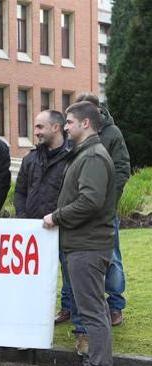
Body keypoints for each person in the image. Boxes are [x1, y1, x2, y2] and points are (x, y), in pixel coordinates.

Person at [43, 101, 115, 366]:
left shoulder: (93, 157)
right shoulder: (85, 154)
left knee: (93, 312)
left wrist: (57, 217)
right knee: (89, 311)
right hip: (82, 245)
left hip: (88, 247)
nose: (66, 126)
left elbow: (90, 201)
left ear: (85, 123)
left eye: (70, 122)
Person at [72, 92, 131, 327]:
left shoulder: (112, 133)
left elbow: (121, 169)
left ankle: (115, 305)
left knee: (112, 258)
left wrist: (107, 203)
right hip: (79, 210)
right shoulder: (75, 134)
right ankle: (74, 306)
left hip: (104, 212)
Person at [13, 110, 72, 322]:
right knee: (34, 278)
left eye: (40, 127)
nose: (35, 132)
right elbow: (20, 191)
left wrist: (59, 217)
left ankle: (72, 314)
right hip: (36, 230)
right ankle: (36, 317)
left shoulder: (72, 157)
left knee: (70, 275)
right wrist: (23, 216)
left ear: (56, 127)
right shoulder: (31, 158)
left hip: (64, 227)